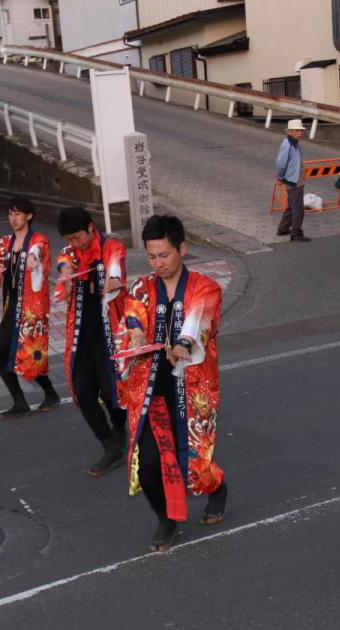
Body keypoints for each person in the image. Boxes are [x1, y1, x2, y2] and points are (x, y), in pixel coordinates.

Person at [115, 215, 228, 552]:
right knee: (148, 462)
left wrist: (184, 343)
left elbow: (197, 321)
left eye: (164, 255)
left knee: (194, 464)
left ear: (182, 249)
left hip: (191, 390)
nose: (158, 263)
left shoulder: (204, 287)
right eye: (151, 256)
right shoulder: (141, 289)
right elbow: (131, 315)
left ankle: (217, 488)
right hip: (151, 393)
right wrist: (134, 333)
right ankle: (166, 519)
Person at [54, 206, 128, 476]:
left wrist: (114, 279)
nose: (74, 243)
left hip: (110, 331)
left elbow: (116, 266)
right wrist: (65, 274)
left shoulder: (112, 247)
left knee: (112, 390)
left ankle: (120, 430)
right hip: (82, 333)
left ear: (90, 228)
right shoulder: (71, 252)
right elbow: (64, 261)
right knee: (82, 389)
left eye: (77, 237)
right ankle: (109, 444)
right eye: (69, 239)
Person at [0, 196, 59, 418]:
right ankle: (20, 401)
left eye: (18, 214)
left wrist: (34, 259)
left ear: (29, 216)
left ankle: (50, 393)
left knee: (28, 356)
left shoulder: (39, 239)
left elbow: (37, 251)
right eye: (10, 214)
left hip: (32, 308)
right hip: (11, 305)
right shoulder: (5, 242)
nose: (13, 218)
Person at [275, 119, 308, 242]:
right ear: (290, 132)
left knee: (292, 205)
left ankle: (283, 228)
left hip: (295, 178)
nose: (300, 133)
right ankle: (296, 233)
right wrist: (280, 176)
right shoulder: (288, 145)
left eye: (301, 130)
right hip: (293, 180)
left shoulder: (294, 143)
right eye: (297, 130)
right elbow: (281, 163)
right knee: (298, 207)